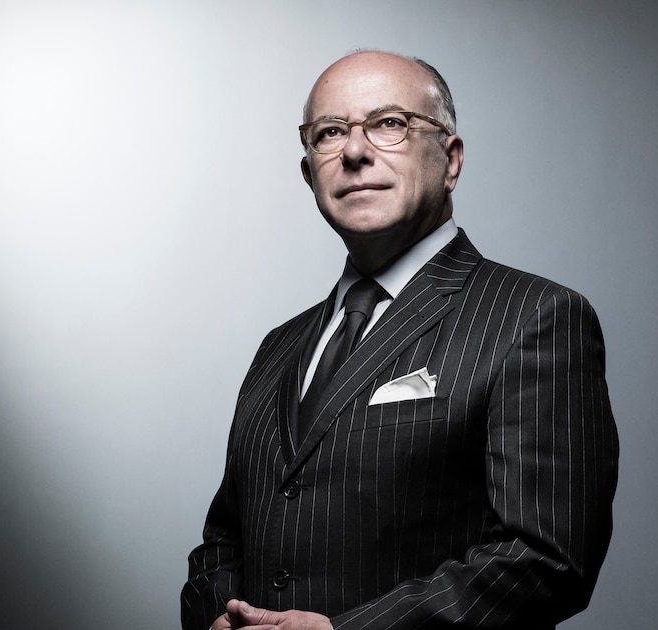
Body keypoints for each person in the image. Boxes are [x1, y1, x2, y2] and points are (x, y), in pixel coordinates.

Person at [181, 50, 619, 630]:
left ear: (451, 159)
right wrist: (219, 617)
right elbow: (224, 538)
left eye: (390, 123)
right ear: (310, 173)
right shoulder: (278, 347)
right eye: (330, 132)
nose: (356, 151)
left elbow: (545, 559)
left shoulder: (534, 317)